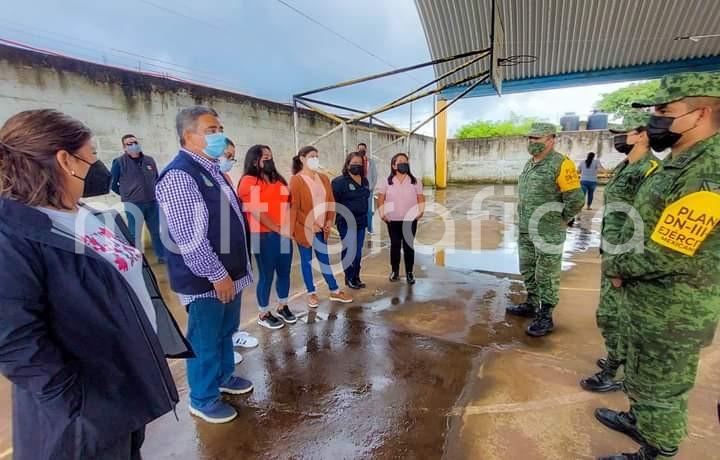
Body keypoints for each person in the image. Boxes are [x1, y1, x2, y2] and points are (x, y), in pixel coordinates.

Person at [0, 109, 189, 459]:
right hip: (83, 419)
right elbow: (14, 343)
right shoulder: (12, 234)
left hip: (122, 389)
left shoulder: (85, 213)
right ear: (65, 161)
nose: (96, 168)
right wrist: (81, 406)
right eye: (91, 158)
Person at [597, 72, 720, 460]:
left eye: (665, 111)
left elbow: (670, 250)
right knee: (644, 377)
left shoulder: (707, 170)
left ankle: (657, 449)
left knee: (663, 388)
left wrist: (618, 266)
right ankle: (639, 419)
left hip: (675, 309)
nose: (656, 120)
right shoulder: (679, 162)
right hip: (651, 301)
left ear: (701, 114)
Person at [156, 106, 254, 424]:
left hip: (229, 274)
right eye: (211, 130)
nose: (219, 134)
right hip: (207, 280)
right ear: (189, 135)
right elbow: (190, 237)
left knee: (225, 331)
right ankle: (203, 397)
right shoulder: (180, 175)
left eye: (219, 128)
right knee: (204, 338)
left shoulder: (212, 169)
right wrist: (217, 274)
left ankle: (224, 377)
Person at [580, 126, 659, 393]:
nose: (619, 137)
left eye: (625, 133)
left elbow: (643, 222)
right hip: (612, 250)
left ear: (642, 136)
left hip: (624, 256)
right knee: (613, 313)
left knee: (613, 316)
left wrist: (623, 265)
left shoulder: (648, 171)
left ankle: (612, 371)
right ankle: (619, 357)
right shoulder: (626, 166)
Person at [505, 122, 584, 337]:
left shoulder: (562, 164)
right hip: (526, 229)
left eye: (537, 139)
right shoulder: (530, 164)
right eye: (530, 138)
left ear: (551, 139)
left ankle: (546, 316)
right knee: (528, 268)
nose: (532, 142)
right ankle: (531, 303)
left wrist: (563, 219)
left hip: (547, 231)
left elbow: (576, 199)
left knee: (546, 274)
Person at [238, 144, 295, 330]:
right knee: (266, 275)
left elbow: (287, 205)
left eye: (270, 156)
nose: (269, 160)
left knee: (285, 272)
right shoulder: (249, 181)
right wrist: (279, 229)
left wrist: (288, 227)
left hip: (283, 233)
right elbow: (257, 211)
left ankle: (283, 305)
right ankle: (263, 313)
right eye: (265, 157)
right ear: (255, 161)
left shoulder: (279, 180)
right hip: (262, 236)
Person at [289, 146, 353, 308]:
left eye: (317, 156)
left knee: (324, 260)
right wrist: (311, 222)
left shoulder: (323, 178)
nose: (315, 160)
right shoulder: (296, 180)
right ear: (302, 159)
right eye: (312, 156)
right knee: (307, 261)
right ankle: (311, 293)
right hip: (304, 228)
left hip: (322, 228)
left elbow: (330, 201)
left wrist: (329, 221)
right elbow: (295, 207)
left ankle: (334, 290)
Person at [221, 138, 259, 360]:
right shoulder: (188, 179)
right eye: (227, 156)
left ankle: (231, 335)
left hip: (235, 250)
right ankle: (223, 349)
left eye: (232, 157)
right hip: (220, 254)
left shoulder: (223, 177)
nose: (229, 161)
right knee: (218, 306)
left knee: (233, 302)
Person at [110, 134, 165, 263]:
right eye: (129, 144)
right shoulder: (119, 162)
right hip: (133, 204)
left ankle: (162, 256)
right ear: (124, 147)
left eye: (135, 142)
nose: (133, 145)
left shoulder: (149, 161)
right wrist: (126, 195)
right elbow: (112, 184)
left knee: (156, 231)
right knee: (135, 234)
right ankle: (136, 258)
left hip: (152, 202)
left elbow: (156, 179)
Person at [376, 153, 425, 285]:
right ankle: (395, 271)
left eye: (406, 161)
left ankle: (410, 272)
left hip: (410, 219)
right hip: (393, 220)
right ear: (393, 165)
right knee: (395, 245)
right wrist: (382, 213)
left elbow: (420, 197)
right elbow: (380, 198)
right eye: (400, 161)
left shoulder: (415, 181)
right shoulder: (386, 181)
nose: (404, 163)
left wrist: (421, 210)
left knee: (409, 246)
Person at [332, 151, 371, 289]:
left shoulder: (364, 181)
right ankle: (348, 278)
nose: (357, 166)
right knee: (349, 250)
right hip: (346, 223)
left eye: (360, 164)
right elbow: (333, 203)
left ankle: (356, 276)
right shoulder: (339, 182)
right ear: (347, 164)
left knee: (358, 251)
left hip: (361, 222)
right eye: (354, 163)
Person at [357, 142, 378, 234]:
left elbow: (375, 175)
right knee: (359, 209)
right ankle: (360, 227)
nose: (361, 150)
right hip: (357, 189)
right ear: (357, 150)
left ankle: (369, 228)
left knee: (369, 210)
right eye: (360, 148)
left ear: (366, 149)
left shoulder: (371, 162)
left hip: (368, 190)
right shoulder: (356, 161)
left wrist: (372, 187)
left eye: (363, 148)